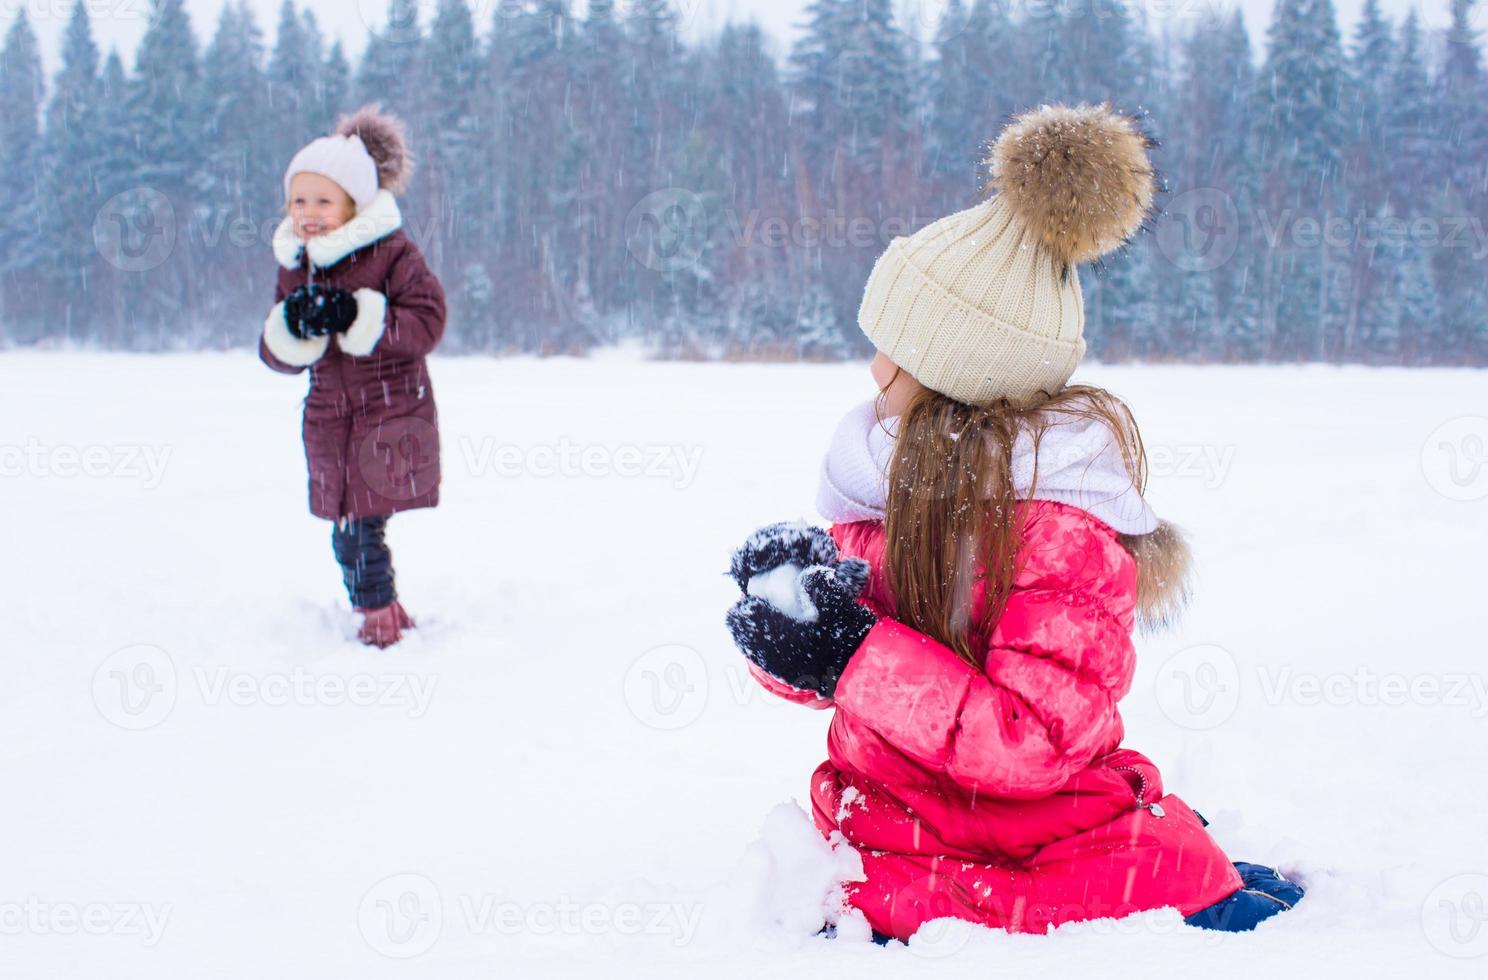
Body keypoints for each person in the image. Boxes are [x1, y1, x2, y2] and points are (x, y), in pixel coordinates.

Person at [725, 102, 1303, 942]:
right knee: (865, 884)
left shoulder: (1058, 540)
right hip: (889, 815)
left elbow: (1030, 743)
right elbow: (842, 674)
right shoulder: (887, 490)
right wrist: (793, 628)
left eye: (897, 347)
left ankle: (1164, 874)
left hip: (1010, 831)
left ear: (958, 374)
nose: (874, 365)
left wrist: (852, 654)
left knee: (1131, 869)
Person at [259, 105, 445, 649]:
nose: (308, 212)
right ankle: (384, 608)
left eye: (322, 201)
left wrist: (357, 316)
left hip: (388, 411)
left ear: (353, 204)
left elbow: (428, 320)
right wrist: (292, 326)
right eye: (298, 200)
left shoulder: (392, 254)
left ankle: (377, 618)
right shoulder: (298, 264)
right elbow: (276, 356)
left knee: (359, 528)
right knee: (350, 525)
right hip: (329, 418)